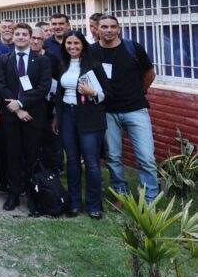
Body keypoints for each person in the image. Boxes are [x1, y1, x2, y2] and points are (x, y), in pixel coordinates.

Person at [92, 14, 159, 203]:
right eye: (104, 27)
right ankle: (121, 194)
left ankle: (150, 200)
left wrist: (140, 92)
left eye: (113, 26)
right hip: (107, 112)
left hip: (136, 110)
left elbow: (150, 73)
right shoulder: (92, 52)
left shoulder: (133, 48)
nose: (109, 30)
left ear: (119, 29)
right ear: (97, 29)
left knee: (146, 158)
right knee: (113, 157)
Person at [53, 31, 111, 219]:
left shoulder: (94, 65)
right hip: (67, 115)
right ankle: (74, 202)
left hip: (90, 117)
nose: (72, 47)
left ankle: (94, 205)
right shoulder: (63, 65)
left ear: (83, 45)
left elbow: (108, 93)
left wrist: (91, 92)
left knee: (92, 163)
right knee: (72, 160)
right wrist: (57, 117)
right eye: (69, 43)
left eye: (76, 43)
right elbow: (60, 94)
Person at [0, 23, 52, 215]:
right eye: (17, 34)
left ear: (30, 38)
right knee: (12, 155)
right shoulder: (4, 59)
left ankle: (33, 196)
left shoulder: (42, 60)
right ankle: (13, 194)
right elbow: (1, 85)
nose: (20, 37)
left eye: (24, 34)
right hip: (11, 116)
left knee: (32, 156)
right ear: (12, 37)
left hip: (33, 116)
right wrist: (16, 109)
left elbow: (43, 87)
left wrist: (21, 103)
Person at [31, 26, 63, 173]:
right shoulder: (22, 58)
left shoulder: (53, 59)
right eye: (33, 38)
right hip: (28, 108)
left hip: (49, 109)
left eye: (39, 39)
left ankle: (52, 175)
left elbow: (60, 86)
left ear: (44, 41)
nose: (35, 41)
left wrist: (56, 112)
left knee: (50, 144)